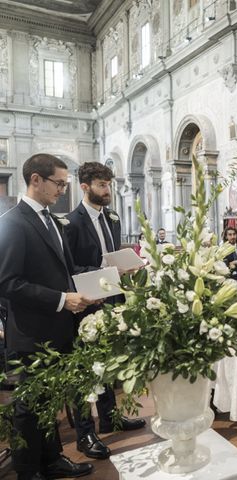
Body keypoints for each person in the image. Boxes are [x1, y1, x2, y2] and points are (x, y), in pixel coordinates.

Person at [0, 153, 95, 480]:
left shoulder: (53, 220)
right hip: (31, 332)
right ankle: (29, 471)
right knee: (29, 408)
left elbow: (65, 272)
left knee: (51, 399)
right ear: (36, 180)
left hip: (58, 328)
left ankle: (52, 460)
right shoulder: (12, 221)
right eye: (58, 183)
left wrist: (101, 278)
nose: (62, 190)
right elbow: (8, 283)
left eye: (65, 184)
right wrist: (60, 300)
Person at [64, 162, 146, 460]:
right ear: (85, 187)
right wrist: (103, 271)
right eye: (101, 185)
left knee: (109, 362)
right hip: (86, 305)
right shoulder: (70, 223)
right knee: (86, 370)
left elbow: (112, 257)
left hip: (113, 301)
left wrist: (124, 269)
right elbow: (69, 269)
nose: (107, 190)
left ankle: (111, 417)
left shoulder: (112, 218)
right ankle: (85, 432)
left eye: (109, 184)